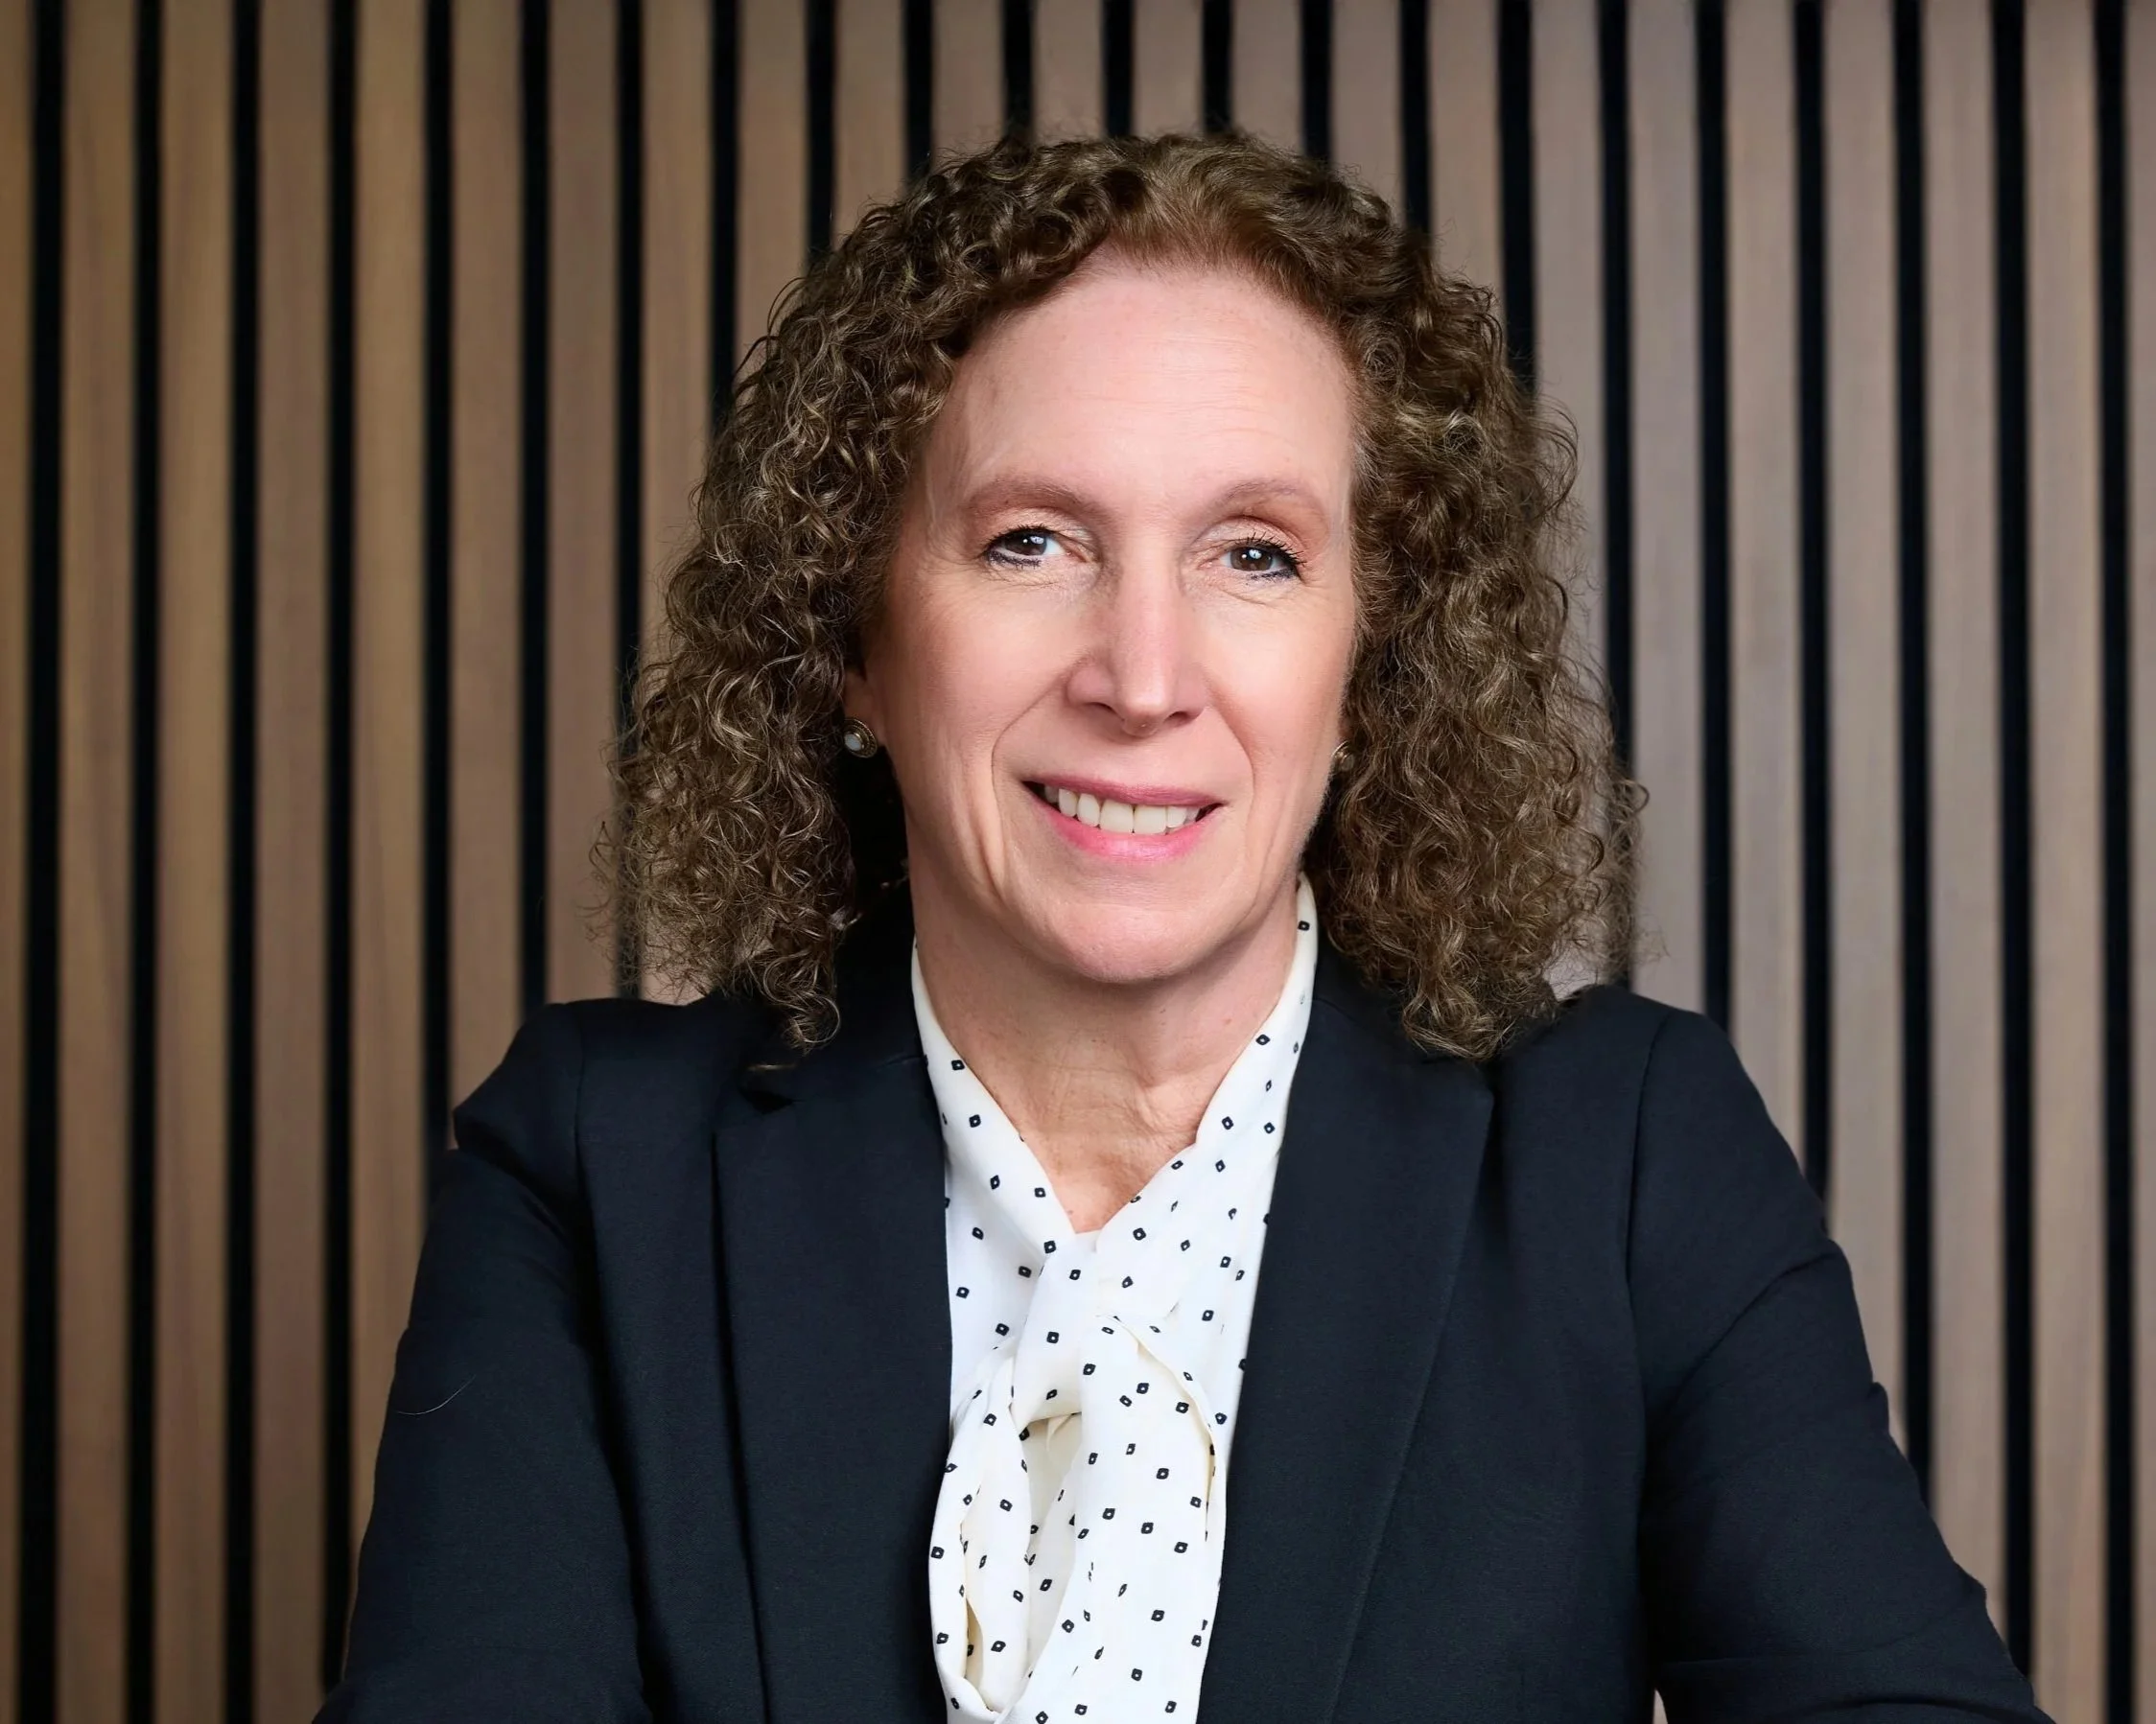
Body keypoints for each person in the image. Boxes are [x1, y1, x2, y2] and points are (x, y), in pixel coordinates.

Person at [319, 130, 2045, 1723]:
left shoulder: (1630, 1161)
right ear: (852, 634)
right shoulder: (587, 1164)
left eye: (1255, 556)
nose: (1142, 678)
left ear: (1374, 660)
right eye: (1031, 541)